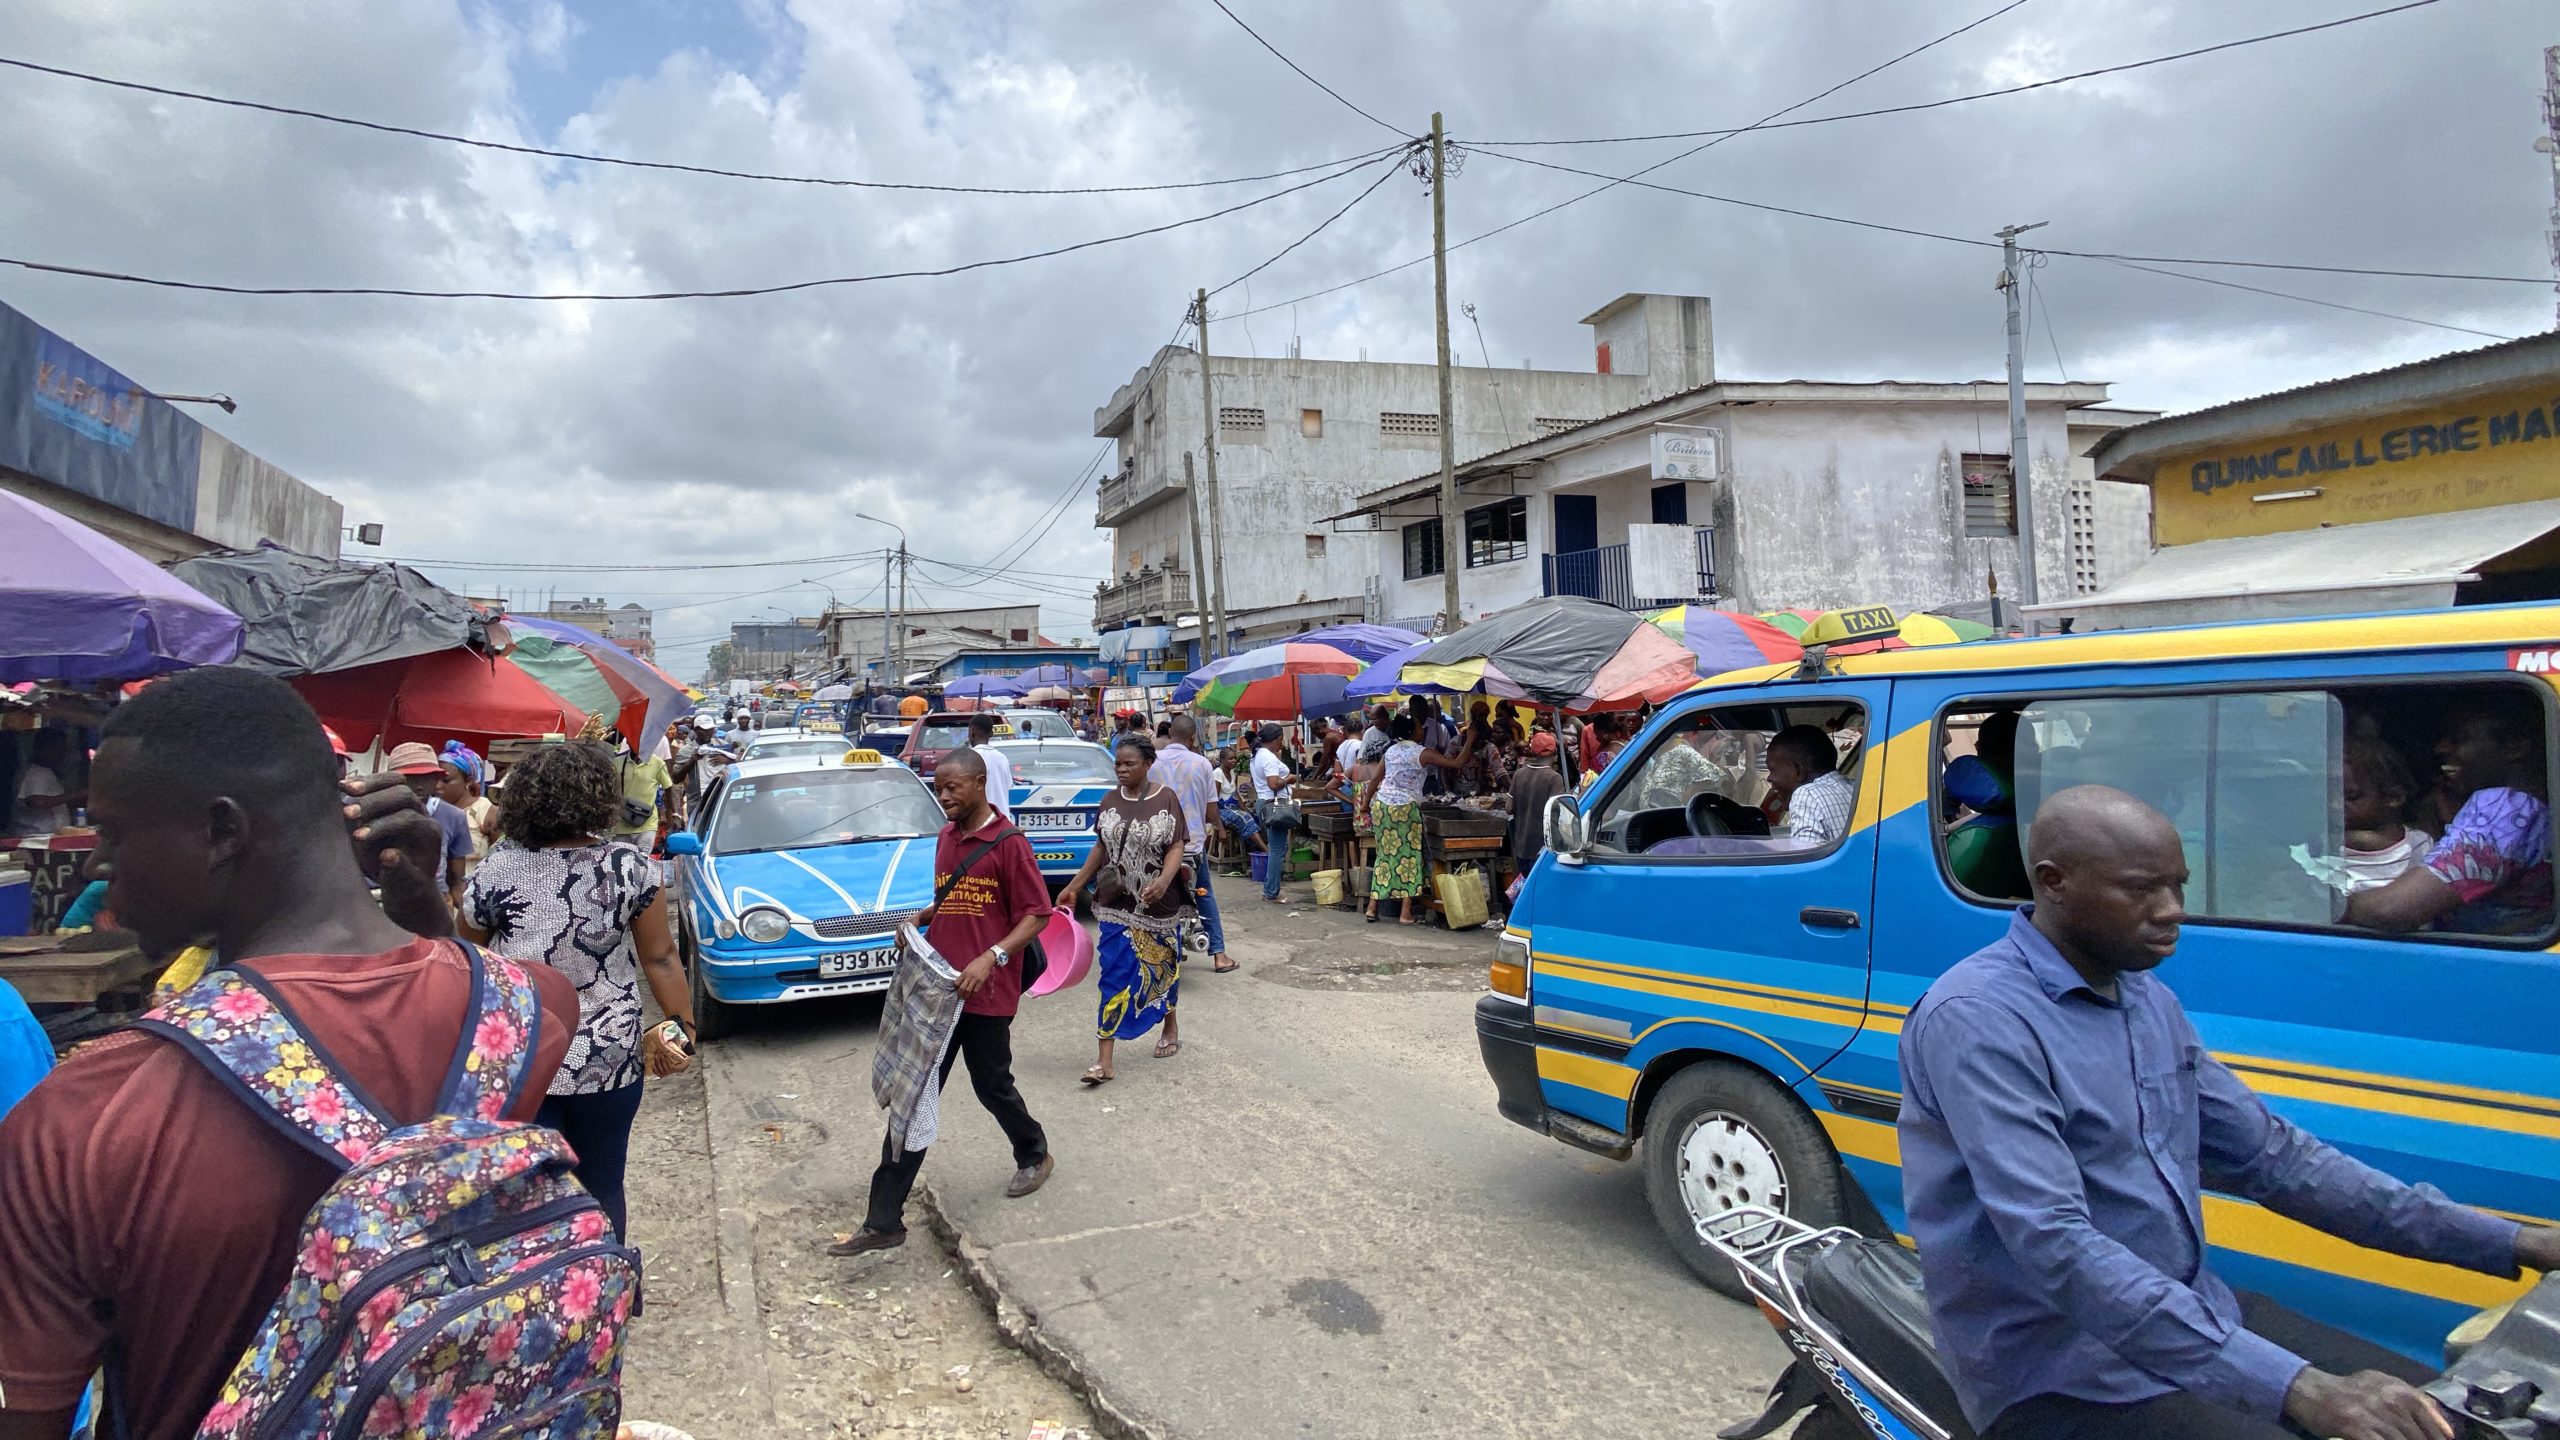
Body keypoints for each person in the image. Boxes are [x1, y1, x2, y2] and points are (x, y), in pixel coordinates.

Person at [0, 668, 577, 1440]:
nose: (100, 865)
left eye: (113, 832)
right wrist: (424, 912)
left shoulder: (84, 1120)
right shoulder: (529, 1015)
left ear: (222, 832)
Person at [1900, 784, 2560, 1440]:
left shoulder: (2143, 999)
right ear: (2055, 883)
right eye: (2142, 890)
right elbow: (2058, 1245)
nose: (2172, 911)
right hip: (2064, 1371)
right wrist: (2301, 1389)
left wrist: (2518, 1242)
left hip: (2191, 1317)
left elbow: (2277, 1160)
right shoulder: (1980, 1020)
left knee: (2448, 1421)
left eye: (2179, 886)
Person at [458, 739, 695, 1242]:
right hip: (608, 1054)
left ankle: (558, 1297)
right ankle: (613, 1298)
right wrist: (684, 1026)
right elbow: (660, 957)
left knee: (533, 1192)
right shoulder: (630, 867)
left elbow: (469, 962)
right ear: (597, 799)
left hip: (523, 1056)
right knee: (605, 1181)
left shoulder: (497, 868)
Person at [832, 748, 1053, 1257]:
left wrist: (991, 957)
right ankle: (883, 1219)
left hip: (986, 992)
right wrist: (920, 919)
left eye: (953, 787)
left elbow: (1036, 915)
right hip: (939, 992)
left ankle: (1034, 1152)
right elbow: (955, 896)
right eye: (939, 788)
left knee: (992, 1085)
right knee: (914, 1096)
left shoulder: (1009, 843)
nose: (945, 797)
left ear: (979, 784)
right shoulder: (948, 837)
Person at [2348, 698, 2550, 934]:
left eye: (2459, 739)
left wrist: (2325, 907)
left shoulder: (2508, 807)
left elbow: (2392, 910)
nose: (2440, 748)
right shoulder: (2537, 807)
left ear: (2514, 748)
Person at [1057, 735, 1194, 1085]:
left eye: (1129, 764)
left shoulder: (1166, 798)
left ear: (1148, 764)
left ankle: (1170, 1024)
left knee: (1162, 969)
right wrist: (1073, 886)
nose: (1121, 769)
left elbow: (1177, 844)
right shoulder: (1108, 801)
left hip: (1159, 904)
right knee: (1113, 975)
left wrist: (1165, 879)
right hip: (1116, 903)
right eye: (1118, 763)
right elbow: (1100, 847)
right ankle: (1105, 1060)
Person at [1361, 715, 1464, 926]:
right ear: (1411, 732)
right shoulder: (1422, 753)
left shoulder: (1391, 751)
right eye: (1419, 726)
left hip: (1382, 806)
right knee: (1409, 856)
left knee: (1384, 855)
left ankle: (1372, 907)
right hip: (1405, 809)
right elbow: (1457, 763)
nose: (1422, 729)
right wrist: (1469, 738)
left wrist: (1364, 805)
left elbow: (1374, 780)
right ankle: (1405, 913)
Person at [1155, 717, 1233, 974]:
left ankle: (1162, 952)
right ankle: (1219, 956)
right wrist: (1219, 827)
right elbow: (1211, 812)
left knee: (1158, 896)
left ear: (1169, 735)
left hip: (1158, 845)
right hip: (1193, 846)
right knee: (1205, 894)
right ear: (1192, 739)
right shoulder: (1202, 764)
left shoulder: (1151, 761)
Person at [2334, 733, 2432, 892]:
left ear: (2392, 797)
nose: (2334, 805)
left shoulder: (2420, 844)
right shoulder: (2316, 846)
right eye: (2326, 796)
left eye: (2351, 797)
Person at [385, 740, 473, 904]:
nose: (419, 786)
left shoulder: (454, 816)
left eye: (427, 778)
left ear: (436, 779)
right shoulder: (374, 811)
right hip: (382, 902)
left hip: (434, 904)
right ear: (391, 779)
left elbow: (458, 879)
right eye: (410, 778)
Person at [1766, 723, 1854, 846]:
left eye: (1772, 770)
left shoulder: (1808, 795)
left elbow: (1803, 861)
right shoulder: (1855, 788)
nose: (1769, 778)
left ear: (1798, 771)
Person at [1247, 724, 1302, 903]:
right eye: (1280, 740)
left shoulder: (1257, 756)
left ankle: (1270, 890)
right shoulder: (1267, 757)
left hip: (1266, 803)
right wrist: (1290, 779)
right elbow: (1273, 783)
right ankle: (1271, 892)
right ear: (1274, 739)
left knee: (1277, 848)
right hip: (1274, 804)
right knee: (1277, 850)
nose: (1281, 743)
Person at [1507, 732, 1568, 876]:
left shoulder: (1519, 774)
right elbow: (1558, 813)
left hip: (1521, 848)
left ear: (1533, 752)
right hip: (1543, 851)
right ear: (1554, 753)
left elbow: (1508, 808)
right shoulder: (1554, 778)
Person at [437, 741, 495, 881]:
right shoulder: (432, 810)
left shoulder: (487, 813)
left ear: (468, 780)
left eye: (446, 780)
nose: (438, 786)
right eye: (435, 779)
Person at [607, 727, 672, 851]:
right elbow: (609, 790)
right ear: (628, 744)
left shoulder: (657, 763)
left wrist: (669, 814)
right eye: (634, 742)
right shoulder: (617, 763)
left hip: (647, 824)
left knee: (642, 862)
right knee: (621, 863)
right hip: (621, 825)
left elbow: (669, 788)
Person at [9, 731, 77, 835]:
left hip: (51, 838)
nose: (61, 755)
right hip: (35, 839)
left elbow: (56, 802)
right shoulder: (35, 773)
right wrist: (74, 796)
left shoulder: (47, 771)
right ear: (41, 749)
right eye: (56, 750)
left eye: (63, 751)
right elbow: (36, 802)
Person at [969, 712, 1016, 822]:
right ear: (991, 733)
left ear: (971, 731)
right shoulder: (1002, 757)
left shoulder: (970, 757)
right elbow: (1008, 787)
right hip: (1003, 824)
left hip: (982, 825)